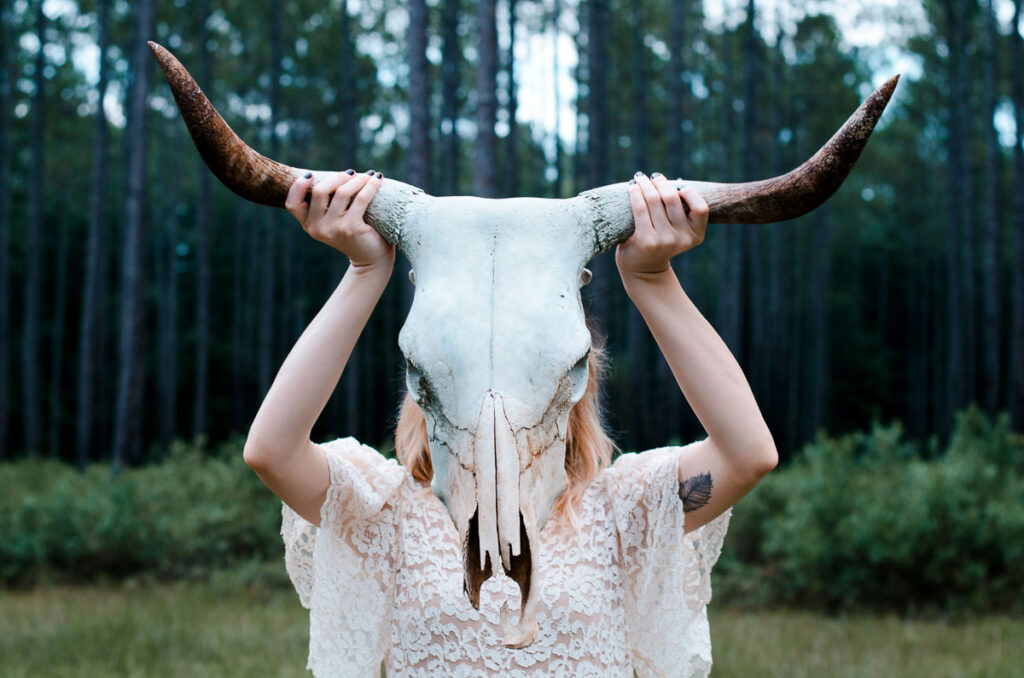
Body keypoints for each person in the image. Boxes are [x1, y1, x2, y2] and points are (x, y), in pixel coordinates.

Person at [242, 168, 779, 677]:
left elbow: (746, 455)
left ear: (577, 374)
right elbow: (273, 451)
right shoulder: (386, 512)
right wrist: (364, 273)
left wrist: (652, 279)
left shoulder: (621, 512)